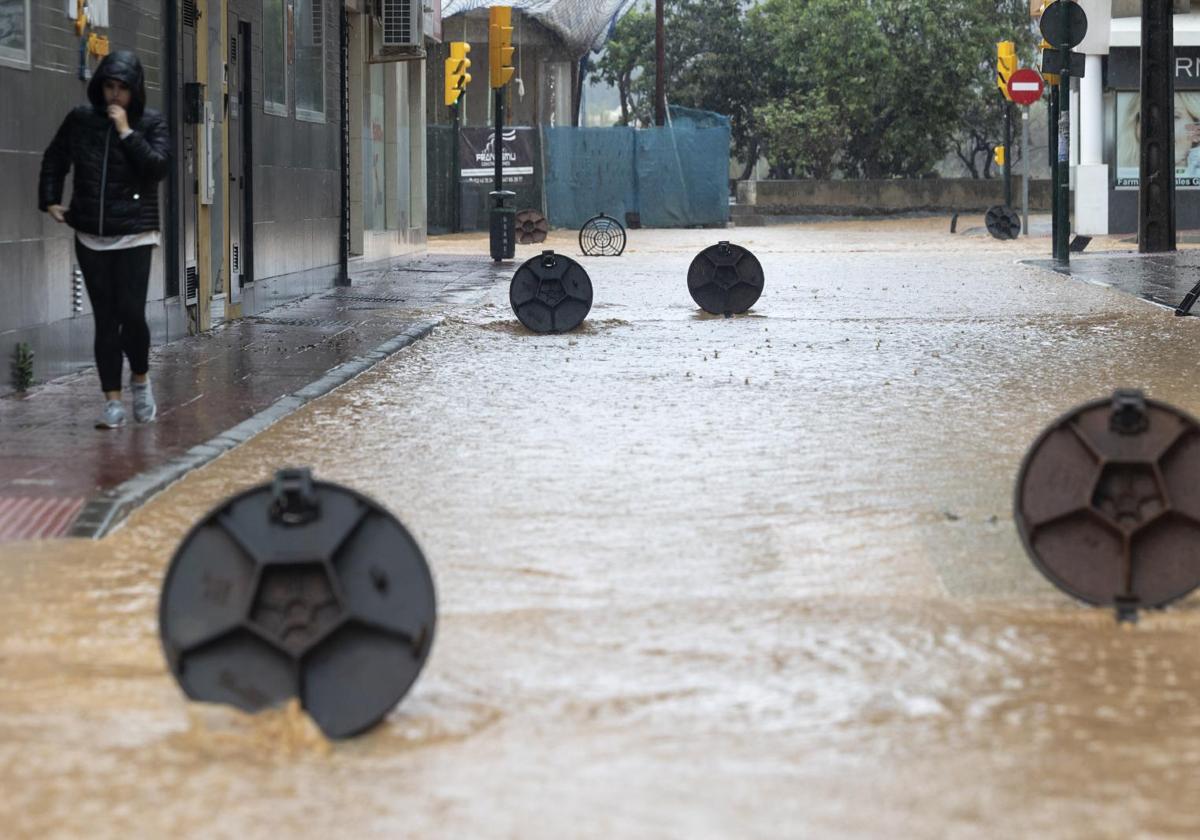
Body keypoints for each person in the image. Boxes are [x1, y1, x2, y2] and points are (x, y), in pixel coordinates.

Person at [39, 50, 170, 429]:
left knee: (131, 314)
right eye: (109, 87)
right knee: (105, 320)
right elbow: (55, 157)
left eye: (123, 89)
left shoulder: (150, 122)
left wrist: (127, 131)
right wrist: (50, 199)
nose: (115, 96)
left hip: (135, 234)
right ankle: (112, 401)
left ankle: (141, 381)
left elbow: (157, 168)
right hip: (90, 234)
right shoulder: (81, 120)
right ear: (100, 86)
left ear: (135, 91)